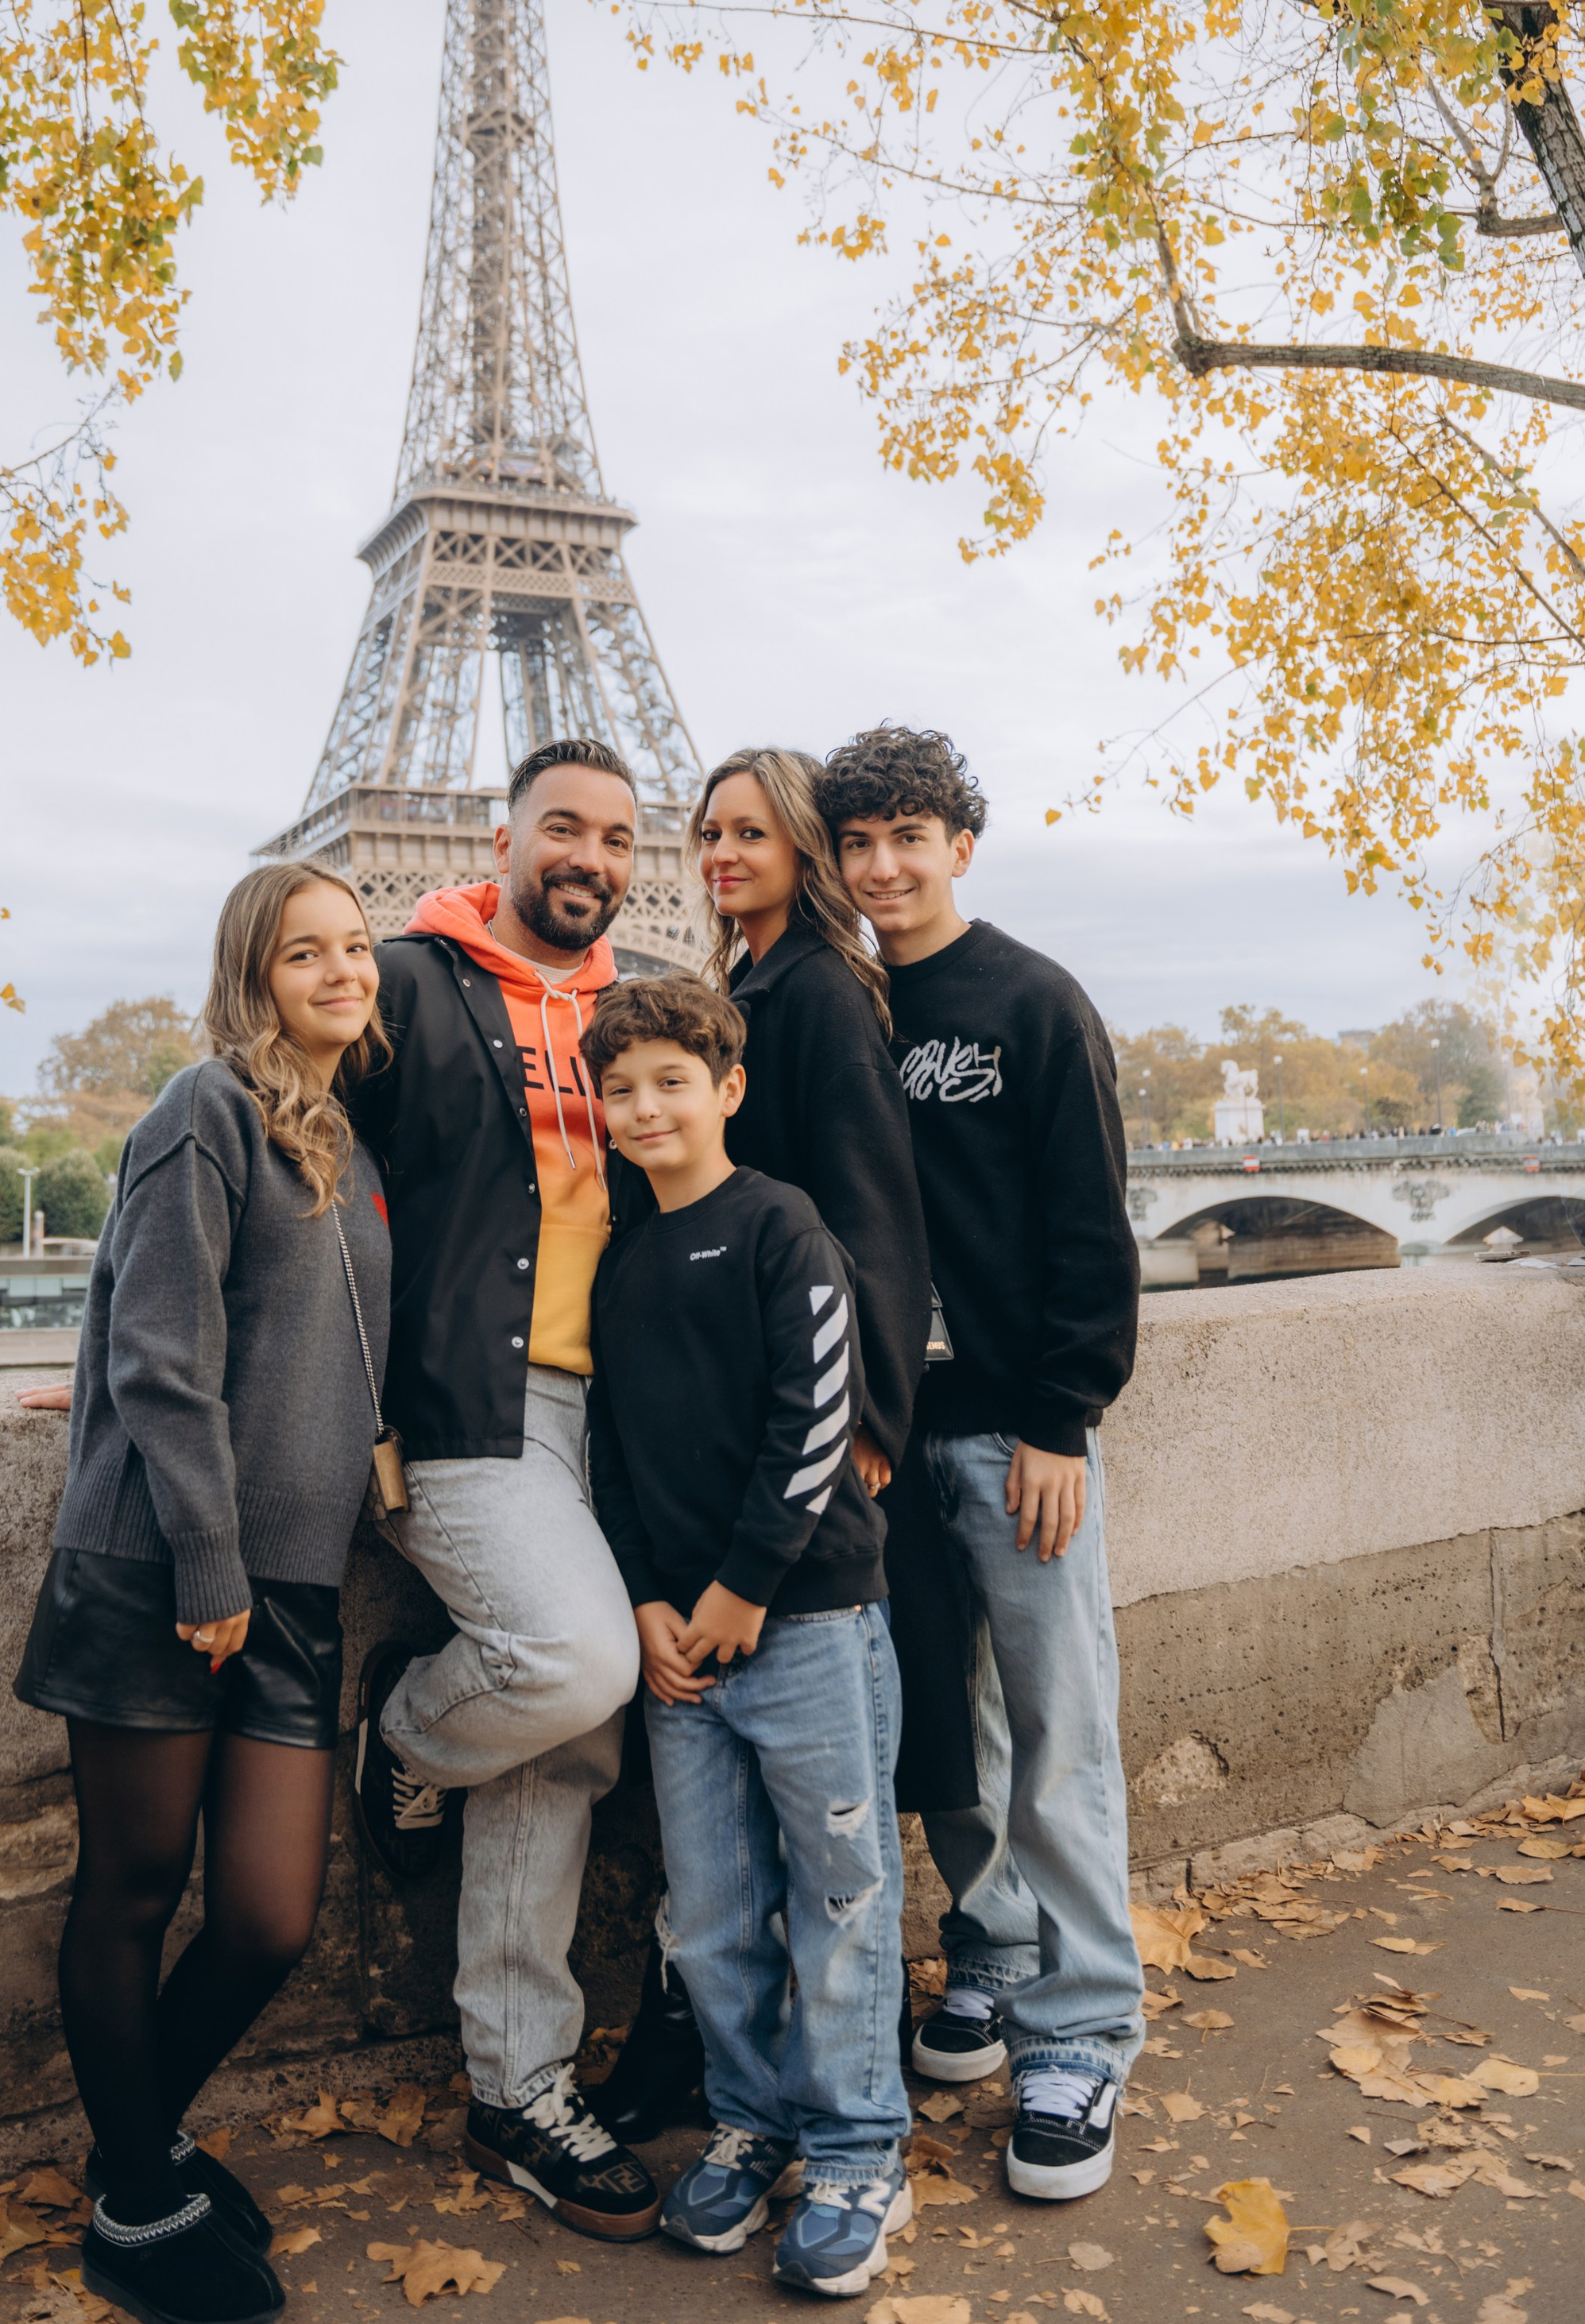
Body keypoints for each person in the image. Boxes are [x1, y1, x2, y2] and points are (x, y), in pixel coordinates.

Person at [10, 862, 392, 2324]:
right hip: (171, 1565)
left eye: (357, 948)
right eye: (309, 953)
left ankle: (129, 2153)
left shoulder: (350, 1141)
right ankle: (138, 2192)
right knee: (130, 1891)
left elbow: (275, 1337)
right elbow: (163, 1353)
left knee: (268, 1919)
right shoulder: (205, 1109)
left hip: (288, 1581)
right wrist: (207, 1553)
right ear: (255, 970)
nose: (343, 971)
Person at [592, 747, 954, 2144]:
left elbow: (872, 1216)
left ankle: (847, 2116)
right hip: (708, 1503)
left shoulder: (810, 990)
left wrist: (868, 1414)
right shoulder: (743, 987)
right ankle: (749, 2096)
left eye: (753, 831)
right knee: (742, 1878)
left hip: (800, 1484)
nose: (724, 852)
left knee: (828, 1863)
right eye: (709, 832)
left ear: (802, 846)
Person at [823, 722, 1144, 2204]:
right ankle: (998, 1943)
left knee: (1060, 1733)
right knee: (947, 1739)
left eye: (910, 837)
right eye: (860, 842)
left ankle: (1082, 2031)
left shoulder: (1031, 1003)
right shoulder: (842, 1006)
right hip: (890, 1441)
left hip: (1017, 1434)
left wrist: (1064, 1418)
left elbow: (1091, 1227)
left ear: (961, 845)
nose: (883, 867)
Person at [346, 740, 656, 2245]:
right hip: (470, 1407)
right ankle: (408, 1727)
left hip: (632, 1414)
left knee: (576, 1739)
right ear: (504, 837)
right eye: (561, 828)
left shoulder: (644, 1010)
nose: (588, 854)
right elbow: (272, 1140)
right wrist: (154, 1341)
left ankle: (517, 2085)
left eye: (614, 834)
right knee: (575, 1661)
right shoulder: (406, 983)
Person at [582, 975, 910, 2299]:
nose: (646, 1106)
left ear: (728, 1089)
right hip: (681, 1647)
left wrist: (742, 1588)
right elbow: (614, 1449)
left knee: (841, 1901)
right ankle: (751, 2119)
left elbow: (816, 1416)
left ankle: (855, 2149)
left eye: (673, 1080)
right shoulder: (621, 1259)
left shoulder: (782, 1225)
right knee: (712, 1914)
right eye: (621, 1088)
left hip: (809, 1622)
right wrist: (649, 1599)